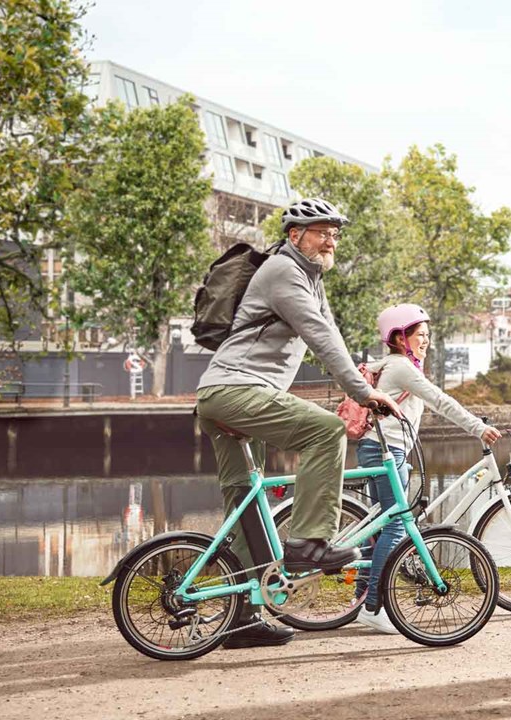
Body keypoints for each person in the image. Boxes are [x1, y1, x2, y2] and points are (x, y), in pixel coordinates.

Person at [195, 197, 403, 649]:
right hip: (236, 391)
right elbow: (319, 335)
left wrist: (365, 377)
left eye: (334, 232)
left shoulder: (309, 277)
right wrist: (362, 394)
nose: (331, 239)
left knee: (245, 510)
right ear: (295, 236)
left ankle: (242, 619)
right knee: (325, 431)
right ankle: (309, 541)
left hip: (219, 394)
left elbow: (332, 333)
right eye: (321, 231)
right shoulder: (284, 272)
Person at [353, 304, 502, 633]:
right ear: (399, 337)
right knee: (394, 527)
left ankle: (359, 598)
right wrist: (478, 427)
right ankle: (373, 605)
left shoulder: (392, 365)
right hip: (387, 453)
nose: (426, 341)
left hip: (372, 450)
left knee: (378, 527)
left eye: (428, 335)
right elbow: (441, 401)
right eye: (420, 335)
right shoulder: (402, 367)